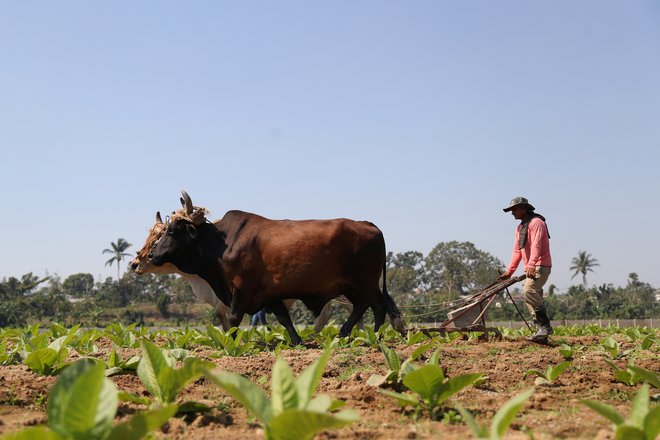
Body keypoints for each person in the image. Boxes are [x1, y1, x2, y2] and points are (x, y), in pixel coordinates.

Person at [498, 197, 553, 343]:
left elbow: (536, 246)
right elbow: (517, 251)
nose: (512, 213)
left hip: (541, 265)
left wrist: (531, 264)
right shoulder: (520, 228)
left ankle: (545, 326)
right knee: (530, 298)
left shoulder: (537, 223)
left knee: (528, 291)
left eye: (514, 209)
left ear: (524, 208)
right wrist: (509, 271)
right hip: (532, 266)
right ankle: (540, 332)